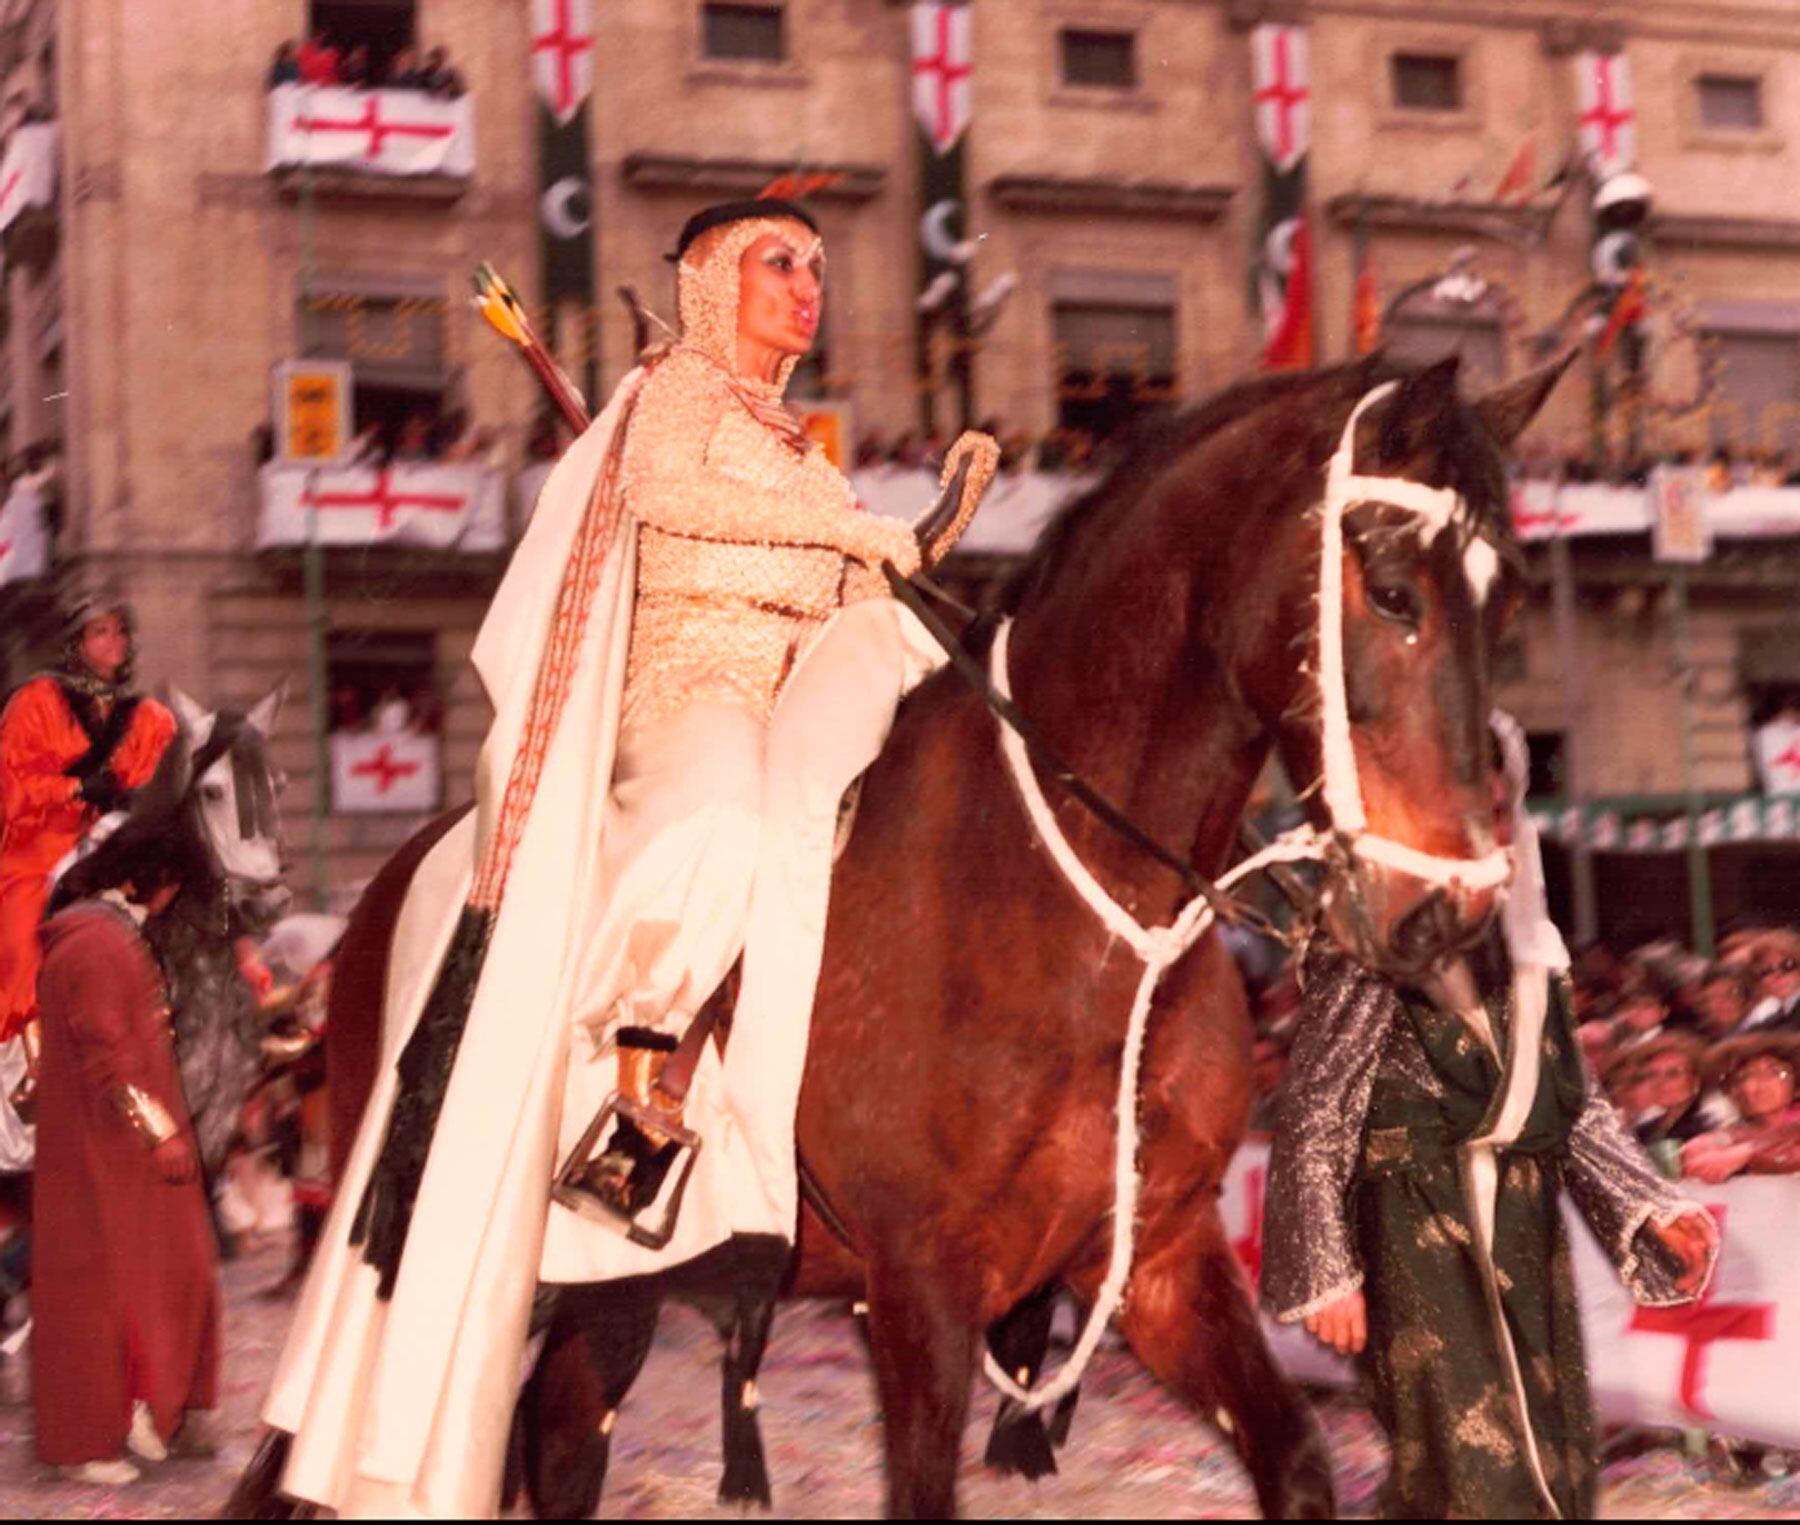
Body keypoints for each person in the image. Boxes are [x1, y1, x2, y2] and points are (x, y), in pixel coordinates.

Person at [264, 197, 995, 1516]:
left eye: (821, 268)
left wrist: (906, 548)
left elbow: (840, 584)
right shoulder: (676, 393)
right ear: (714, 285)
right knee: (717, 818)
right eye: (780, 263)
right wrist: (849, 532)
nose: (807, 285)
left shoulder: (801, 447)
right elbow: (661, 500)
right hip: (690, 683)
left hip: (794, 683)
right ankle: (641, 1071)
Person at [1263, 712, 1718, 1520]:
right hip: (1416, 1220)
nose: (1483, 831)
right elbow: (1318, 1102)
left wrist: (1651, 1205)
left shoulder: (1535, 940)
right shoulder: (1371, 933)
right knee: (1470, 1456)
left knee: (1548, 1449)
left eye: (1498, 810)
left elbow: (1570, 1102)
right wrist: (1325, 1264)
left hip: (1521, 1222)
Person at [31, 849, 221, 1483]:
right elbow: (107, 1051)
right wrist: (159, 1132)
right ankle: (90, 1438)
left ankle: (140, 1410)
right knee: (99, 1293)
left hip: (112, 1150)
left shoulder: (101, 939)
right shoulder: (97, 946)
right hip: (106, 1151)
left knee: (143, 1282)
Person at [0, 584, 175, 1086]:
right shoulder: (35, 702)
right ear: (76, 642)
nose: (114, 641)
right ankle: (25, 1064)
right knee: (18, 932)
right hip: (41, 848)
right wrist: (77, 787)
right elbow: (15, 792)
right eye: (101, 632)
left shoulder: (150, 718)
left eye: (120, 631)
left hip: (119, 847)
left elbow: (157, 789)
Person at [1682, 1032, 1800, 1183]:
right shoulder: (1734, 1131)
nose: (1752, 1087)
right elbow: (1697, 1156)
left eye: (1773, 1073)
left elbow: (1789, 1151)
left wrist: (1749, 1153)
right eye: (1743, 1077)